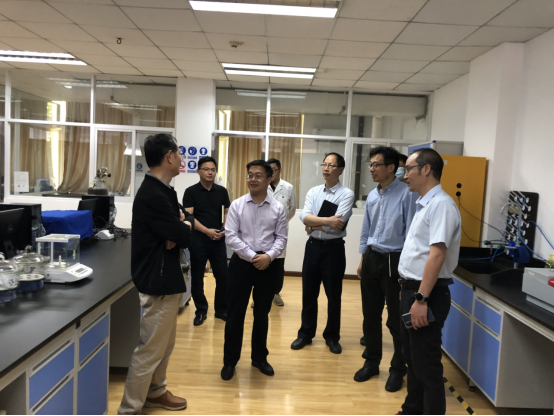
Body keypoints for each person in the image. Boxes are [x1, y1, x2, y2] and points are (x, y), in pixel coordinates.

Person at [119, 134, 194, 415]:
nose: (181, 158)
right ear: (169, 156)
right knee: (150, 349)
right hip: (157, 278)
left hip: (168, 276)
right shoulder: (152, 194)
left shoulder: (164, 190)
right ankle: (129, 408)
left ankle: (156, 391)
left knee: (165, 344)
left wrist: (180, 226)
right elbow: (181, 232)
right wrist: (179, 229)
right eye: (179, 153)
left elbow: (183, 220)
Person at [397, 148, 461, 416]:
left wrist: (421, 299)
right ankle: (411, 410)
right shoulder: (424, 203)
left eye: (408, 169)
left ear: (426, 169)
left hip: (427, 295)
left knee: (426, 364)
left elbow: (437, 254)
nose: (405, 176)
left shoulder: (441, 205)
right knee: (413, 359)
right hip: (412, 291)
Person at [355, 147, 416, 392]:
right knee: (370, 315)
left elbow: (411, 234)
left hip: (395, 260)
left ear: (391, 167)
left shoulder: (406, 194)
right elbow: (366, 229)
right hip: (372, 258)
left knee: (395, 320)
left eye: (376, 165)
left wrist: (406, 270)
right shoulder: (373, 195)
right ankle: (371, 362)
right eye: (370, 164)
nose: (371, 169)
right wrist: (363, 258)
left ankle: (398, 369)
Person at [221, 160, 287, 381]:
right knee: (235, 314)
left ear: (269, 179)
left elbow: (281, 238)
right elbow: (231, 236)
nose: (253, 179)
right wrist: (252, 256)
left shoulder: (278, 208)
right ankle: (230, 361)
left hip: (268, 265)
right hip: (241, 264)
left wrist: (268, 256)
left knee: (262, 314)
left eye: (258, 175)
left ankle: (259, 358)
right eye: (250, 175)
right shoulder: (237, 205)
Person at [291, 153, 355, 355]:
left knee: (333, 296)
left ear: (341, 170)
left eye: (331, 165)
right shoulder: (314, 191)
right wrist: (325, 221)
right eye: (324, 164)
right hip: (312, 247)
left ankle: (332, 337)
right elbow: (304, 217)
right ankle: (306, 334)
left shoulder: (346, 194)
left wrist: (314, 224)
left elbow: (338, 225)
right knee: (309, 293)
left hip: (333, 249)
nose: (326, 168)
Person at [183, 156, 231, 326]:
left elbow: (227, 211)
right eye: (206, 169)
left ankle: (221, 310)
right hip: (198, 239)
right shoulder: (191, 192)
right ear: (198, 171)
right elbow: (189, 217)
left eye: (213, 169)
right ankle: (201, 310)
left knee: (223, 276)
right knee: (197, 277)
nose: (210, 172)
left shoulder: (221, 191)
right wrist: (206, 231)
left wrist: (224, 228)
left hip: (218, 239)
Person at [251, 158, 296, 308]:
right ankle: (258, 295)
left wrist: (280, 222)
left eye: (274, 170)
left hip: (280, 232)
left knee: (278, 264)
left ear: (280, 170)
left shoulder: (288, 187)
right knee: (260, 261)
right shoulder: (261, 186)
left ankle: (276, 293)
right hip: (262, 232)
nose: (272, 173)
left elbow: (292, 209)